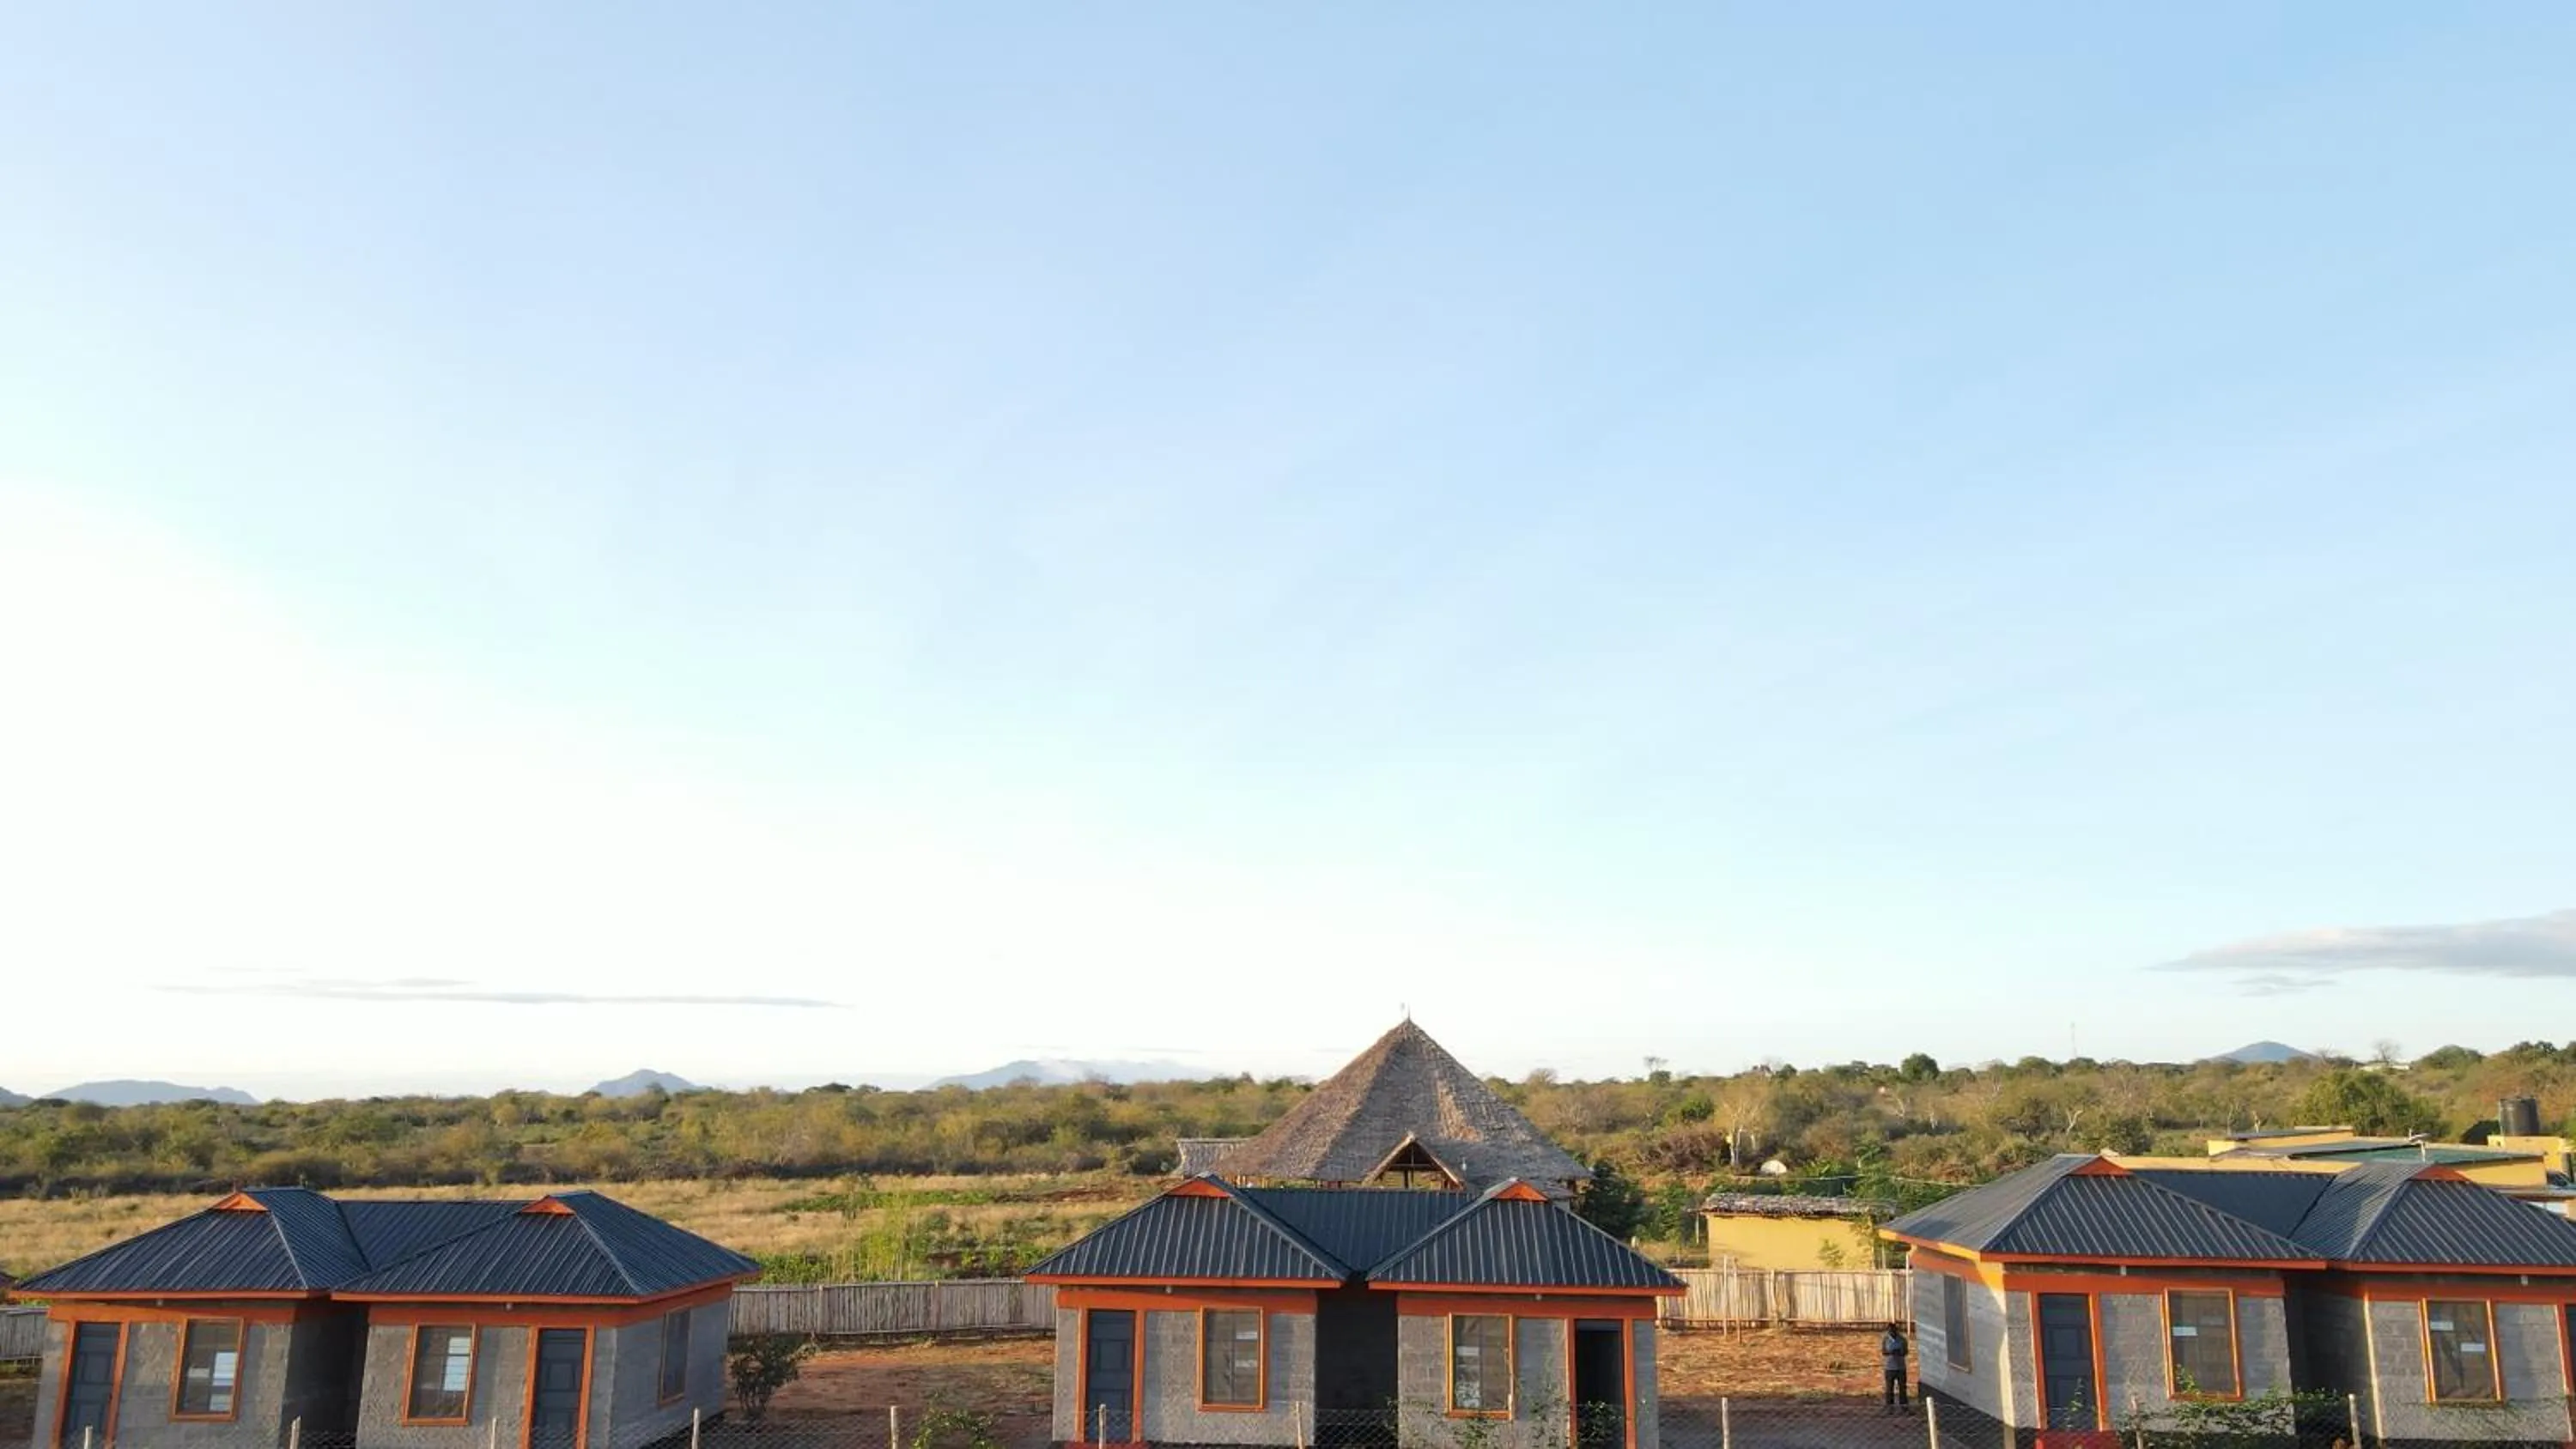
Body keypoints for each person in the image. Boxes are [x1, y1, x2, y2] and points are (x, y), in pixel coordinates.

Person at [1881, 1322, 1911, 1413]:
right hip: (1889, 1367)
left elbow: (1906, 1352)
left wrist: (1900, 1352)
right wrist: (1891, 1352)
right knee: (1889, 1388)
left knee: (1902, 1388)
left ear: (1896, 1330)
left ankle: (1904, 1407)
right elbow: (1883, 1352)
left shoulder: (1902, 1339)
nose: (1892, 1332)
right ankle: (1890, 1407)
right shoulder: (1886, 1339)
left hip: (1901, 1367)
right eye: (1890, 1331)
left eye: (1893, 1330)